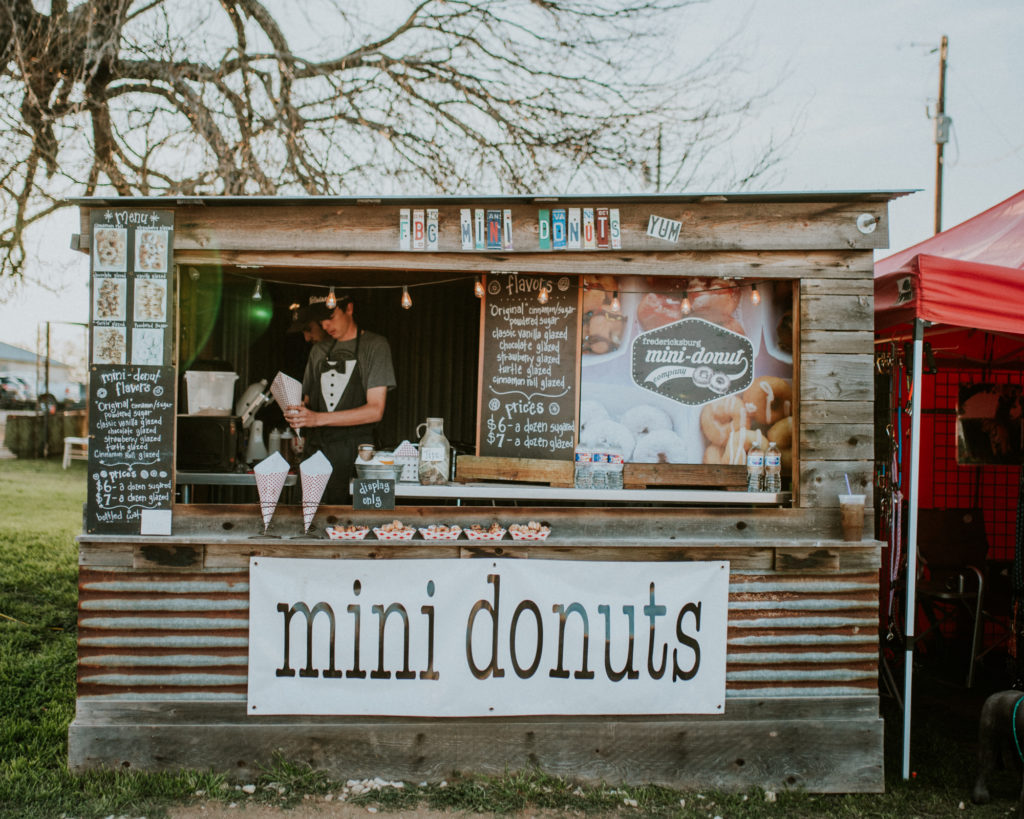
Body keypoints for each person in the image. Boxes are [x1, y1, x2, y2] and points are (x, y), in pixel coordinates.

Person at [285, 291, 396, 504]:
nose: (325, 325)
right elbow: (307, 400)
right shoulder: (318, 350)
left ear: (349, 309)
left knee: (362, 525)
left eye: (331, 317)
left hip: (359, 454)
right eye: (321, 321)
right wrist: (297, 411)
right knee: (308, 522)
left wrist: (317, 418)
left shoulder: (376, 345)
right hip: (316, 450)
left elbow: (375, 410)